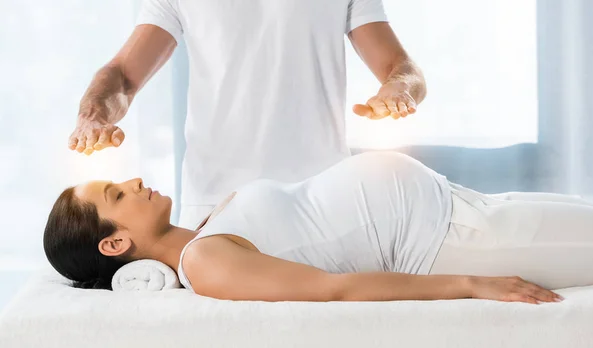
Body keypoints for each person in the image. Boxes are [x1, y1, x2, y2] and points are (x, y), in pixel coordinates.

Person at [44, 151, 593, 304]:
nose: (135, 180)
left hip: (460, 202)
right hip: (455, 241)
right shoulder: (205, 264)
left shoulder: (207, 226)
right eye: (117, 194)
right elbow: (334, 288)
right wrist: (474, 284)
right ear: (115, 242)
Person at [67, 0, 427, 229]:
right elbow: (123, 77)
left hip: (324, 199)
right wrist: (93, 114)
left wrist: (399, 89)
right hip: (216, 205)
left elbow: (402, 68)